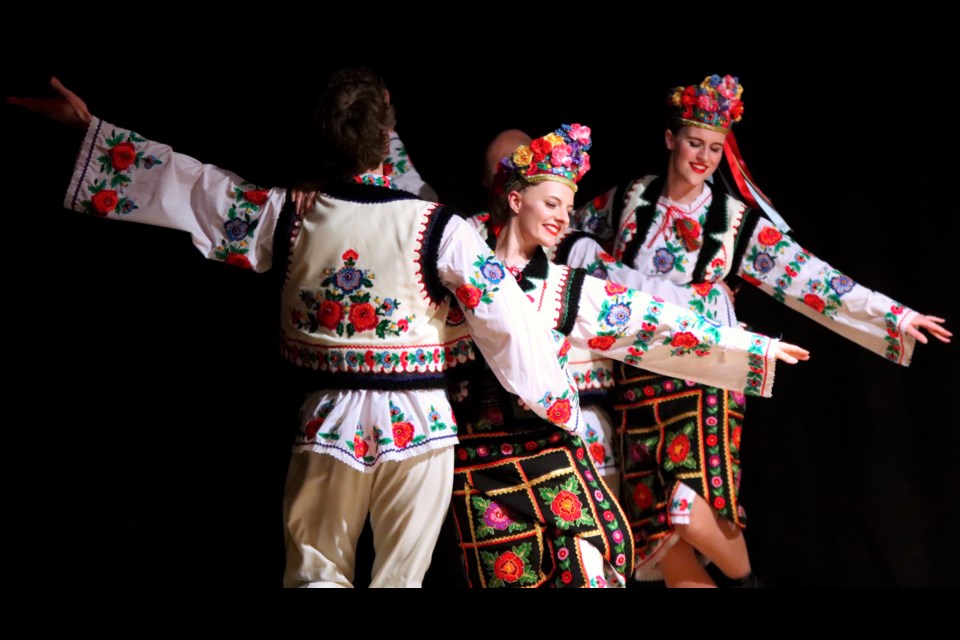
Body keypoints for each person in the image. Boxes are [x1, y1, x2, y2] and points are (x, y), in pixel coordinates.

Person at [7, 71, 591, 588]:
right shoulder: (439, 228)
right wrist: (560, 405)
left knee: (316, 575)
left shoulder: (287, 213)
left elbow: (192, 189)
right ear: (385, 136)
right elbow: (507, 323)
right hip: (419, 426)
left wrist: (86, 132)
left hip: (329, 421)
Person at [562, 74, 952, 587]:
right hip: (637, 380)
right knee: (661, 542)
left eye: (715, 149)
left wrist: (893, 315)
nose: (703, 157)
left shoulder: (732, 220)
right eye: (694, 143)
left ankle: (750, 582)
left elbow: (806, 275)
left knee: (685, 510)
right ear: (669, 140)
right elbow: (561, 230)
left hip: (703, 373)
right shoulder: (633, 196)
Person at [446, 124, 810, 587]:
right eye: (552, 204)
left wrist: (752, 344)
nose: (562, 217)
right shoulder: (458, 264)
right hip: (481, 466)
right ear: (515, 199)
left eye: (568, 206)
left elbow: (650, 318)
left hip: (552, 458)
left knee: (594, 573)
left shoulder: (563, 286)